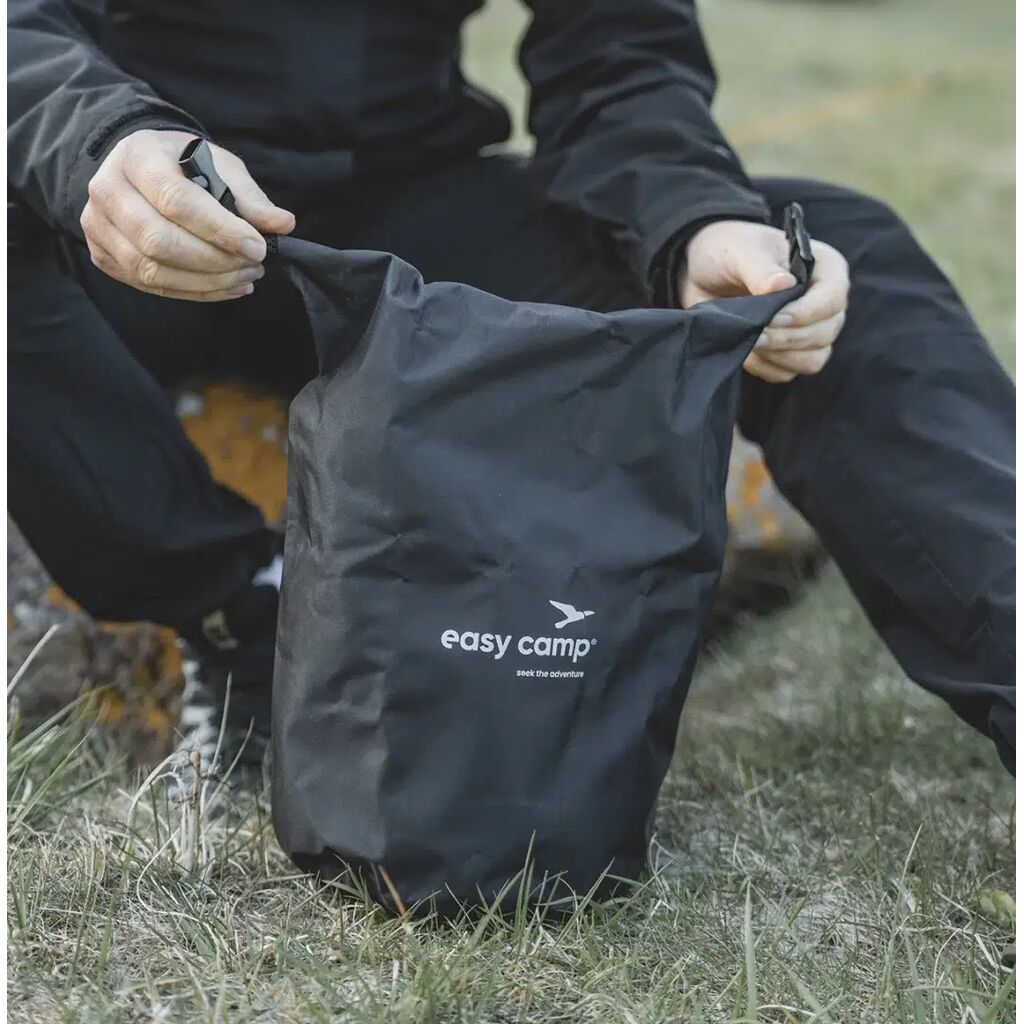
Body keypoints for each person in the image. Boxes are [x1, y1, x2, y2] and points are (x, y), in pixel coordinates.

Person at [8, 0, 1014, 774]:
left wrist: (690, 223)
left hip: (411, 210)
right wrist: (101, 139)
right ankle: (242, 613)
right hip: (132, 194)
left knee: (825, 258)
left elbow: (616, 49)